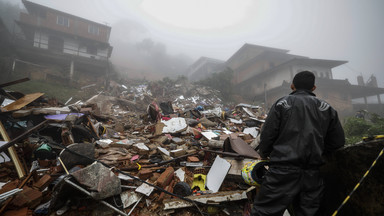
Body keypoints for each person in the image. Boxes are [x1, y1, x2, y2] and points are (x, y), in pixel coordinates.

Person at [252, 71, 345, 216]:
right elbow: (338, 142)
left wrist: (264, 153)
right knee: (308, 212)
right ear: (313, 88)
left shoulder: (282, 103)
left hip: (282, 172)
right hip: (312, 174)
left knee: (265, 211)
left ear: (292, 86)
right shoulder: (327, 108)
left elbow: (268, 135)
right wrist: (319, 152)